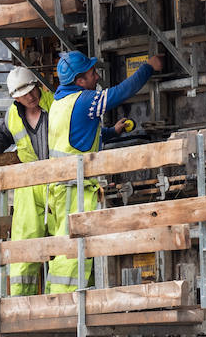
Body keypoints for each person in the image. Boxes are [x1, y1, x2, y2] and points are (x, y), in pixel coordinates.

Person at [45, 50, 163, 293]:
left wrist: (111, 132)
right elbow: (121, 92)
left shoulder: (60, 103)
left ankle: (74, 301)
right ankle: (64, 305)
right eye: (91, 73)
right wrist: (148, 67)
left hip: (61, 188)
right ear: (79, 80)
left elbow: (77, 137)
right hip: (74, 189)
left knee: (73, 248)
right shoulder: (85, 99)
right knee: (73, 251)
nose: (97, 76)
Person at [0, 66, 54, 296]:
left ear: (38, 86)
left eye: (32, 91)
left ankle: (61, 301)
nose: (30, 97)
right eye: (24, 94)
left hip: (61, 181)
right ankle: (21, 301)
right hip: (30, 187)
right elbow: (3, 135)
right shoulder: (13, 115)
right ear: (15, 97)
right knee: (25, 247)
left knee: (64, 246)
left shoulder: (56, 104)